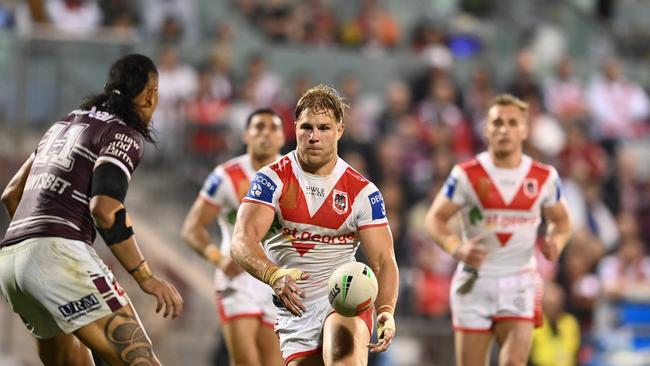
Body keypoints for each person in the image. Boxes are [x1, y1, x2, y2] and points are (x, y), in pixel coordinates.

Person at [0, 54, 183, 366]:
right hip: (59, 252)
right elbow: (105, 208)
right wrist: (146, 278)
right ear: (152, 95)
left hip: (12, 263)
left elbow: (11, 194)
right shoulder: (124, 132)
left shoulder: (62, 125)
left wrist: (35, 245)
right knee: (140, 361)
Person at [230, 84, 399, 365]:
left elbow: (383, 261)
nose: (314, 137)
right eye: (307, 127)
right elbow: (241, 241)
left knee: (342, 355)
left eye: (324, 128)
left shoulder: (362, 192)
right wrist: (273, 275)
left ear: (340, 130)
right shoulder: (272, 180)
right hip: (295, 311)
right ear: (294, 127)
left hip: (345, 299)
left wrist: (386, 310)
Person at [424, 94, 571, 366]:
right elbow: (434, 219)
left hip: (520, 280)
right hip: (474, 282)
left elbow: (562, 221)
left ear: (525, 130)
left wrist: (556, 242)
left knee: (514, 362)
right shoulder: (466, 174)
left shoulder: (544, 177)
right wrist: (457, 248)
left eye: (513, 123)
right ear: (486, 129)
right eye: (497, 122)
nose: (504, 129)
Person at [181, 108, 285, 366]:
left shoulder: (293, 176)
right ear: (246, 135)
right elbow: (192, 228)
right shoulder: (226, 175)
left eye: (273, 128)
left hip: (278, 279)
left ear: (283, 138)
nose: (266, 134)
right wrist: (218, 258)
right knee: (246, 362)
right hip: (238, 278)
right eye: (259, 127)